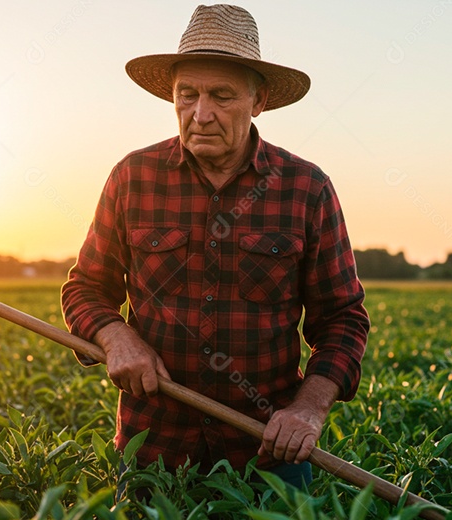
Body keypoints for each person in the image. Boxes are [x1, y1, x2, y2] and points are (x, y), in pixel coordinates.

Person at [61, 4, 369, 489]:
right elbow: (85, 288)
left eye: (222, 96)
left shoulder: (306, 188)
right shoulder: (132, 177)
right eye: (188, 95)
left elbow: (343, 318)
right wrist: (117, 338)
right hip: (155, 448)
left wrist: (307, 410)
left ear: (259, 99)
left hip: (269, 451)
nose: (200, 114)